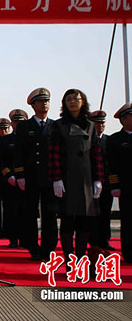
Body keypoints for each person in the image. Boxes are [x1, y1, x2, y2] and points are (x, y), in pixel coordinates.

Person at [49, 89, 103, 259]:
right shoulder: (58, 125)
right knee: (67, 221)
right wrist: (56, 178)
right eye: (69, 99)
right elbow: (54, 153)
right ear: (64, 103)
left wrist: (98, 180)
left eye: (76, 98)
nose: (73, 102)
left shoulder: (91, 125)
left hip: (86, 179)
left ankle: (80, 258)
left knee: (84, 222)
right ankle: (69, 259)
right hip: (66, 178)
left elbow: (96, 153)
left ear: (83, 101)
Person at [14, 87, 57, 261]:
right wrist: (20, 175)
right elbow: (19, 153)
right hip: (30, 176)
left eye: (46, 101)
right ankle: (33, 247)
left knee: (50, 214)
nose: (44, 104)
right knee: (30, 213)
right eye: (40, 101)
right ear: (33, 105)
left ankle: (48, 248)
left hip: (50, 176)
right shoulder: (25, 126)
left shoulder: (55, 126)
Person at [107, 102, 132, 263]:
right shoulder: (115, 140)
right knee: (129, 221)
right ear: (123, 119)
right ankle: (129, 252)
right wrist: (114, 185)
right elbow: (112, 165)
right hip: (126, 186)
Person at [0, 109, 28, 248]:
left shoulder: (30, 138)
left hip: (27, 180)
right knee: (11, 211)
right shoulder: (5, 140)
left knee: (26, 211)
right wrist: (8, 174)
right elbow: (0, 160)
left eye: (21, 121)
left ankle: (25, 239)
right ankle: (12, 238)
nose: (18, 124)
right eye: (15, 122)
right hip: (10, 181)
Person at [89, 110, 114, 251]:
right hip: (90, 182)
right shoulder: (88, 141)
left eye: (102, 123)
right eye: (97, 123)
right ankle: (93, 240)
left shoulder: (109, 141)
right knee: (92, 214)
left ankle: (105, 240)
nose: (100, 126)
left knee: (105, 213)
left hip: (107, 183)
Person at [0, 117, 11, 239]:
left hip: (10, 178)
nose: (3, 131)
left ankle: (8, 230)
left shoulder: (13, 141)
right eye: (1, 129)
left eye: (5, 128)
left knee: (9, 207)